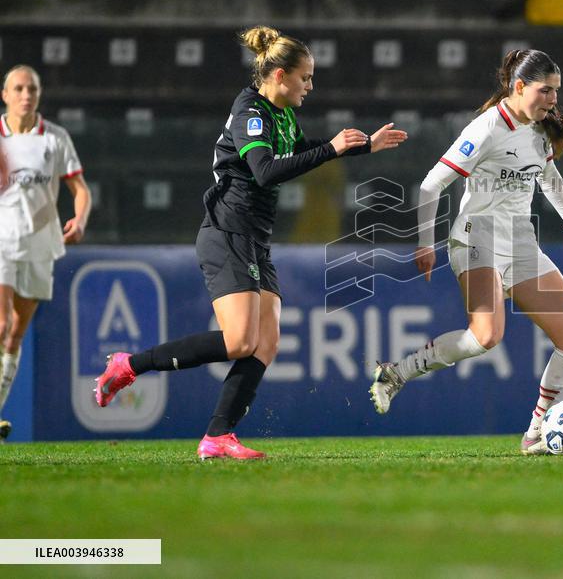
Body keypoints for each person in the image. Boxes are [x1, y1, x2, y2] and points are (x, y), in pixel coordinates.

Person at [95, 26, 406, 459]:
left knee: (267, 341)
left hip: (254, 237)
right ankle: (128, 365)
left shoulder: (281, 115)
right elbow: (264, 170)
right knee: (241, 340)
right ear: (279, 75)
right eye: (305, 78)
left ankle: (217, 436)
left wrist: (361, 147)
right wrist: (333, 150)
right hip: (228, 231)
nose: (310, 87)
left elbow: (302, 151)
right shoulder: (251, 112)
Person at [369, 49, 563, 455]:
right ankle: (397, 373)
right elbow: (430, 185)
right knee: (487, 336)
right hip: (478, 238)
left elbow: (548, 176)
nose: (552, 100)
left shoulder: (537, 130)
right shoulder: (487, 128)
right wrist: (425, 242)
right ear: (518, 87)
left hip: (520, 242)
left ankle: (536, 434)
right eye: (545, 90)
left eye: (556, 92)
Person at [0, 65, 92, 441]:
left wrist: (81, 219)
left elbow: (80, 189)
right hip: (2, 241)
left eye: (32, 89)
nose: (26, 95)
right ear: (5, 94)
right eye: (19, 88)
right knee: (2, 324)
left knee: (14, 336)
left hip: (40, 243)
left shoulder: (54, 138)